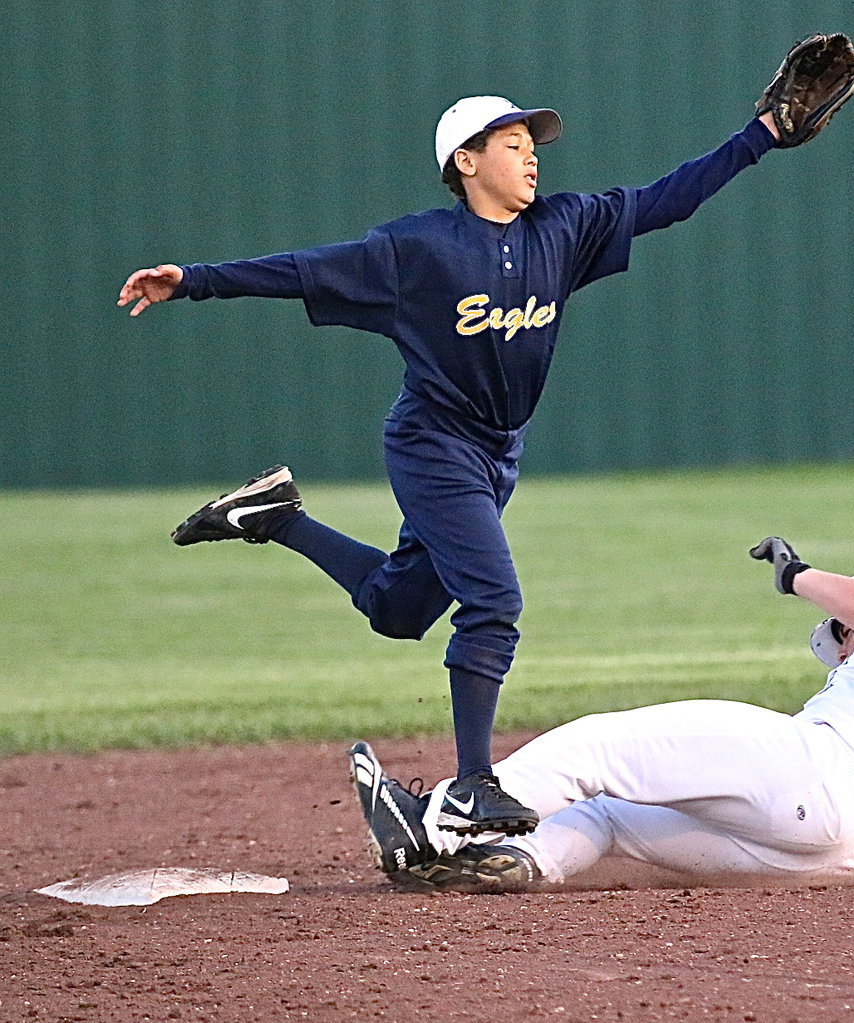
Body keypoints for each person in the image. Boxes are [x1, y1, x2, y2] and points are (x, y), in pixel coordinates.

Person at [117, 87, 814, 838]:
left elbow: (670, 197)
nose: (530, 156)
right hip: (431, 443)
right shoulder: (416, 250)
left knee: (399, 608)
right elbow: (302, 270)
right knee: (493, 605)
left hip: (496, 453)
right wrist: (191, 280)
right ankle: (474, 785)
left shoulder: (566, 227)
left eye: (532, 143)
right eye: (511, 144)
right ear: (466, 160)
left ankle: (278, 517)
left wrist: (763, 133)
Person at [348, 537, 854, 889]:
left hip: (817, 775)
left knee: (601, 748)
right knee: (604, 814)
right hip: (833, 859)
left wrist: (798, 575)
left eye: (847, 628)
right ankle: (507, 861)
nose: (844, 643)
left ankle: (438, 821)